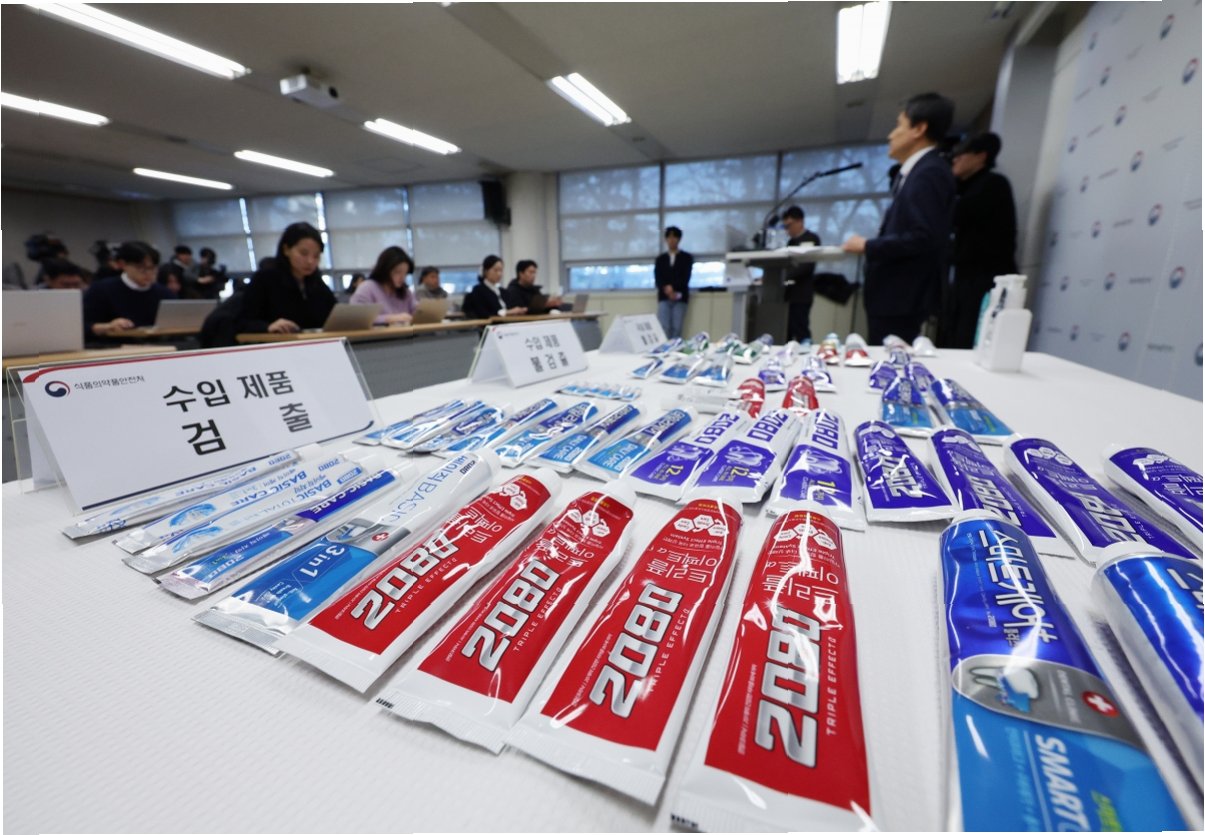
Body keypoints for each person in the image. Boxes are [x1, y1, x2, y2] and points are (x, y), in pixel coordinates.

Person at [842, 92, 956, 345]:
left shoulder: (929, 173)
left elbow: (924, 237)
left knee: (892, 361)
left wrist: (868, 246)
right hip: (895, 296)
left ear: (919, 129)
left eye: (898, 125)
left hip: (902, 295)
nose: (891, 135)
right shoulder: (917, 173)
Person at [943, 132, 1018, 348]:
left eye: (961, 154)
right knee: (955, 338)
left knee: (971, 340)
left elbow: (956, 215)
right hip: (964, 278)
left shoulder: (992, 185)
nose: (955, 160)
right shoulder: (966, 188)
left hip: (986, 281)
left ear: (981, 156)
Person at [236, 222, 336, 334]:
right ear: (286, 249)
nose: (310, 261)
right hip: (274, 343)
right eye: (303, 253)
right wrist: (267, 327)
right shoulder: (265, 279)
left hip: (312, 342)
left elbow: (333, 317)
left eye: (316, 256)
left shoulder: (317, 284)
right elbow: (242, 323)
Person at [82, 241, 175, 340]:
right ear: (123, 264)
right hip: (115, 345)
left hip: (160, 345)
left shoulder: (165, 293)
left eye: (152, 268)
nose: (149, 273)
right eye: (141, 268)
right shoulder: (102, 290)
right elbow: (83, 326)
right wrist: (107, 326)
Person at [781, 206, 821, 342]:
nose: (787, 230)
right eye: (785, 227)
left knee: (800, 328)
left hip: (802, 293)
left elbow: (806, 266)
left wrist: (784, 276)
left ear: (800, 221)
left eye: (789, 225)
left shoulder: (811, 238)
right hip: (788, 293)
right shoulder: (790, 242)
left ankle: (806, 351)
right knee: (786, 330)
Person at [351, 246, 417, 325]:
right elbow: (357, 317)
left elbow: (416, 311)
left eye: (405, 273)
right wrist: (389, 318)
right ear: (385, 270)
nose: (402, 277)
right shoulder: (367, 288)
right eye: (398, 272)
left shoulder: (405, 292)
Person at [654, 226, 692, 339]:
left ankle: (675, 348)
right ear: (666, 239)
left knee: (677, 327)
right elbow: (658, 278)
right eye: (669, 237)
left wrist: (673, 288)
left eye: (674, 237)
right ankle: (664, 348)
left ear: (679, 239)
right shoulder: (660, 259)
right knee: (664, 327)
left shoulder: (686, 258)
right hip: (664, 296)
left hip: (680, 297)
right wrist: (667, 289)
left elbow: (685, 277)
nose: (672, 240)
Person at [461, 255, 526, 319]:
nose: (499, 274)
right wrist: (507, 312)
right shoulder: (478, 290)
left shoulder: (503, 291)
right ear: (486, 271)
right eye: (496, 270)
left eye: (501, 270)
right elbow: (483, 313)